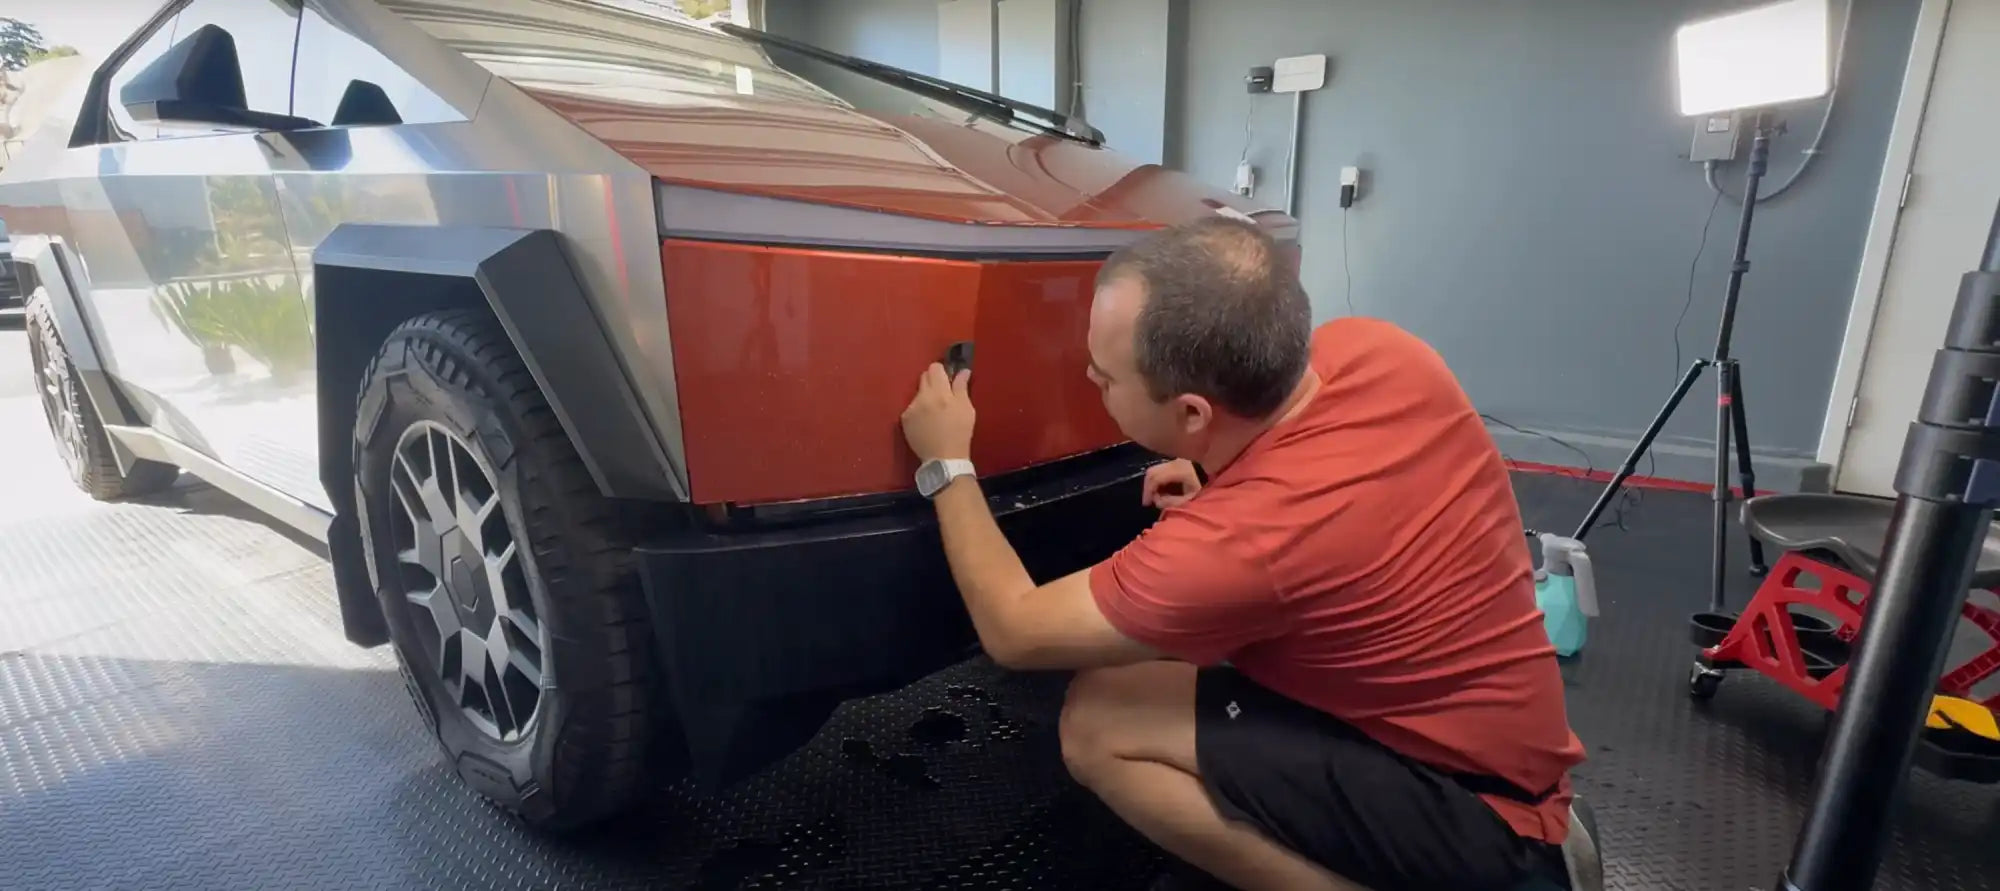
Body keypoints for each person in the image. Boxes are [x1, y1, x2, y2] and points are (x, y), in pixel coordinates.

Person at [898, 215, 1594, 891]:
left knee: (1098, 720)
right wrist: (1215, 476)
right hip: (1500, 743)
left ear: (1193, 414)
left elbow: (1015, 629)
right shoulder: (1379, 348)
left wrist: (947, 463)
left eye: (1106, 376)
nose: (1087, 375)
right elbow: (1320, 486)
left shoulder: (1245, 541)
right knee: (1174, 656)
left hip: (1477, 814)